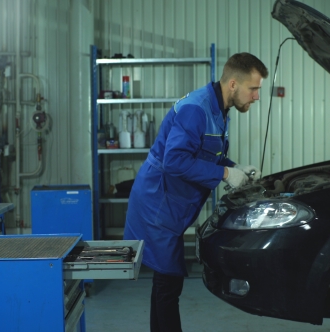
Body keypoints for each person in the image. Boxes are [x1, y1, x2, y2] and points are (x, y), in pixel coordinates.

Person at [123, 52, 268, 332]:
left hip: (171, 204)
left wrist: (234, 166)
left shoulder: (219, 108)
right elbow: (174, 160)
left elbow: (205, 154)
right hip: (158, 204)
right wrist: (226, 174)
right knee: (169, 281)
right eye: (254, 89)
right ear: (234, 84)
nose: (256, 97)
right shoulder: (197, 109)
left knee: (165, 283)